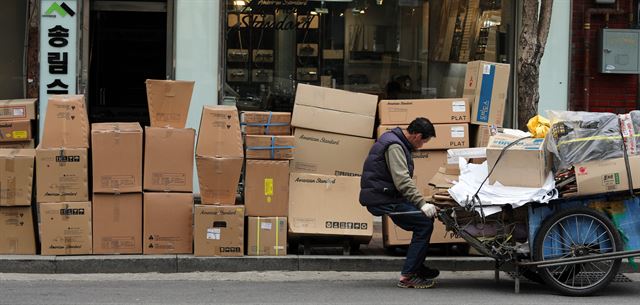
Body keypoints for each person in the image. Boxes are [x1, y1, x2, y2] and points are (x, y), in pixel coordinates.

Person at [359, 117, 439, 289]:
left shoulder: (397, 141)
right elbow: (402, 180)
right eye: (424, 141)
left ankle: (416, 267)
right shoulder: (395, 146)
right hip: (382, 197)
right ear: (417, 136)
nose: (423, 145)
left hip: (387, 194)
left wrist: (423, 204)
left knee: (425, 220)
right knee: (423, 223)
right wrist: (422, 203)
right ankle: (408, 276)